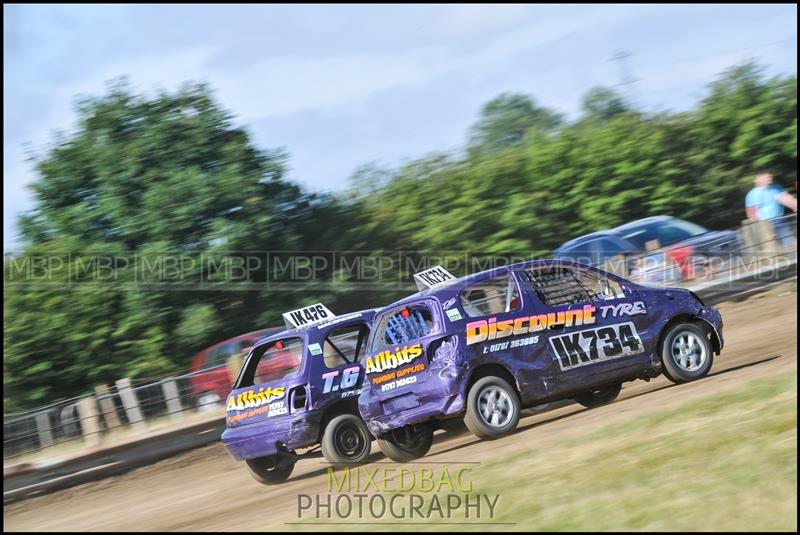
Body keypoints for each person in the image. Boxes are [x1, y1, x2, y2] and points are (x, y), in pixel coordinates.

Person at [744, 170, 797, 250]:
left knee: (790, 244)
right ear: (759, 179)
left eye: (771, 176)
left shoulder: (776, 188)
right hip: (765, 224)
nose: (770, 178)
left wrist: (795, 206)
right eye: (768, 177)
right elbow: (751, 214)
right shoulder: (752, 194)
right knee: (772, 248)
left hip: (781, 221)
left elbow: (786, 199)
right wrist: (759, 226)